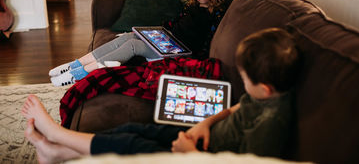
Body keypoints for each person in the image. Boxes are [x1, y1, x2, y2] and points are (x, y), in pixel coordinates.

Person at [22, 28, 300, 163]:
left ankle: (57, 136)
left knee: (132, 145)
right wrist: (205, 123)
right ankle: (55, 152)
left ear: (265, 88)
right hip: (203, 137)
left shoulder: (272, 123)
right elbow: (237, 109)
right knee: (134, 129)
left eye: (244, 79)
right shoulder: (266, 95)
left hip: (205, 155)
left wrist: (190, 154)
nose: (242, 80)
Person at [49, 0, 231, 86]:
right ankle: (75, 64)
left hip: (178, 53)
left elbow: (203, 46)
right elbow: (179, 26)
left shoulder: (214, 14)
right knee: (127, 37)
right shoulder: (196, 5)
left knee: (132, 47)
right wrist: (157, 32)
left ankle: (77, 75)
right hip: (168, 40)